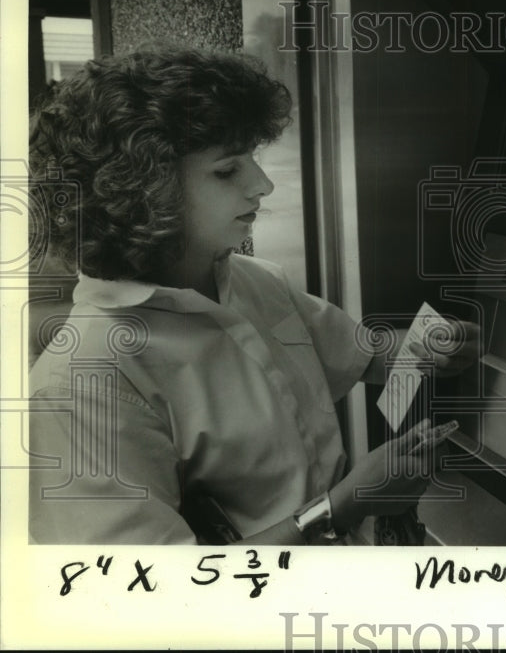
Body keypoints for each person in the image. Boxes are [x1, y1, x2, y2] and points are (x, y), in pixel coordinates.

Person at [28, 46, 478, 544]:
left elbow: (367, 357)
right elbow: (149, 600)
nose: (262, 185)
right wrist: (343, 506)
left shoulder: (252, 281)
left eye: (252, 160)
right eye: (227, 171)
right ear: (140, 191)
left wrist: (434, 346)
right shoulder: (80, 381)